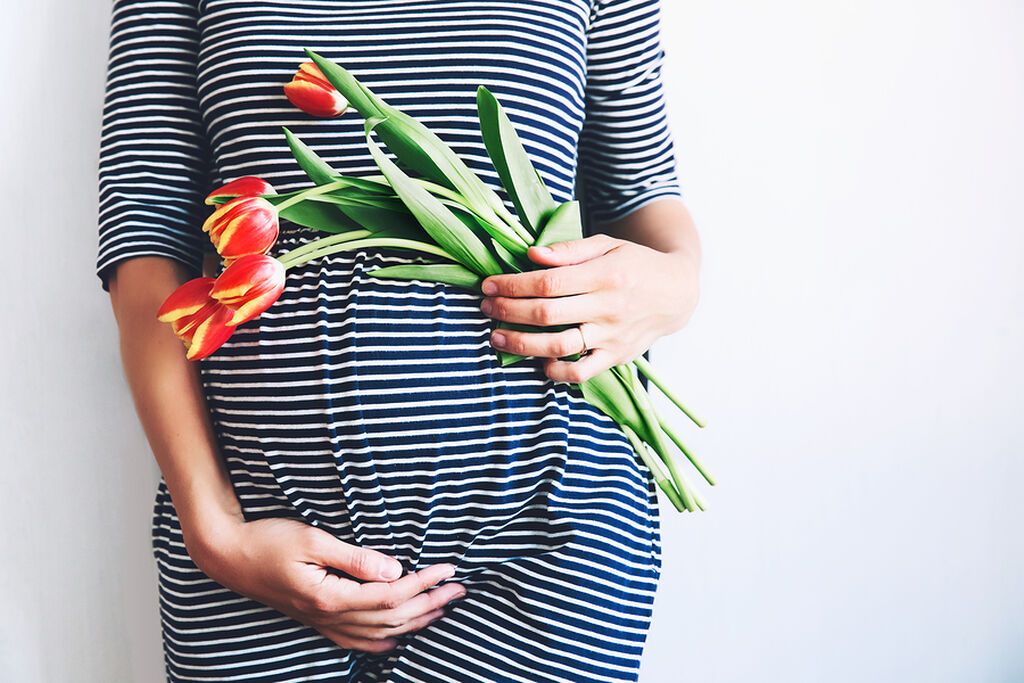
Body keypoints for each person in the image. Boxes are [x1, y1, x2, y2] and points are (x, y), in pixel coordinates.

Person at [98, 0, 701, 680]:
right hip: (254, 533)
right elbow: (143, 231)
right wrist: (213, 532)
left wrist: (677, 284)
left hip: (545, 525)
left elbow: (642, 194)